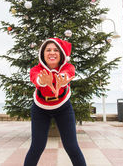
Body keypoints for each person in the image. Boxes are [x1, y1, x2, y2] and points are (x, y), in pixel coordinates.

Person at [24, 38, 86, 166]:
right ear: (43, 54)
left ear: (61, 53)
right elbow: (36, 79)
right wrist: (43, 80)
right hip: (40, 109)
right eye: (48, 50)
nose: (52, 53)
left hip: (63, 108)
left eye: (56, 50)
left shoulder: (68, 67)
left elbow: (67, 74)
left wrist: (62, 78)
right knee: (37, 147)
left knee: (72, 147)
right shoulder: (36, 69)